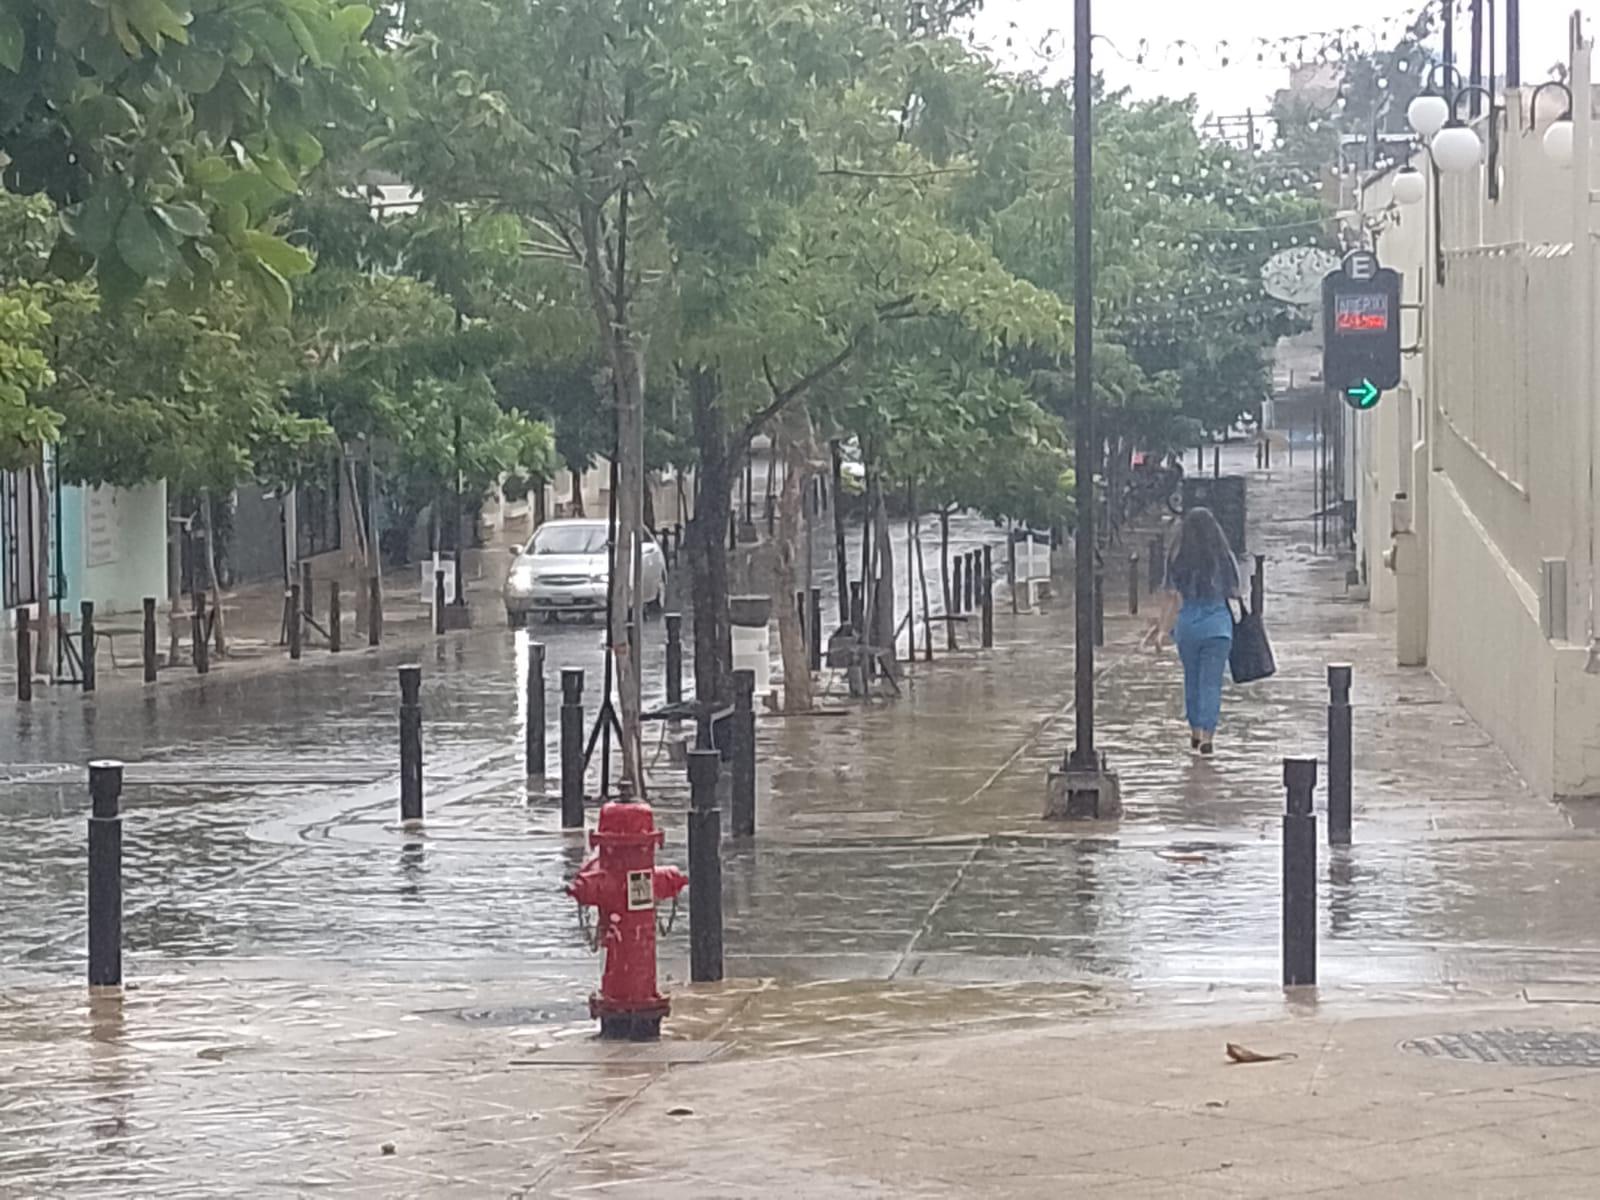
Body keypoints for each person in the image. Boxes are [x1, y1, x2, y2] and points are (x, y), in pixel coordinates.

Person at [1144, 507, 1240, 756]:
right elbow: (1235, 591)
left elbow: (1172, 598)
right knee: (1212, 683)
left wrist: (1162, 630)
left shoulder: (1178, 558)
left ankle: (1195, 731)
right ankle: (1208, 734)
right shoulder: (1223, 556)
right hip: (1218, 627)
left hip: (1188, 627)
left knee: (1192, 679)